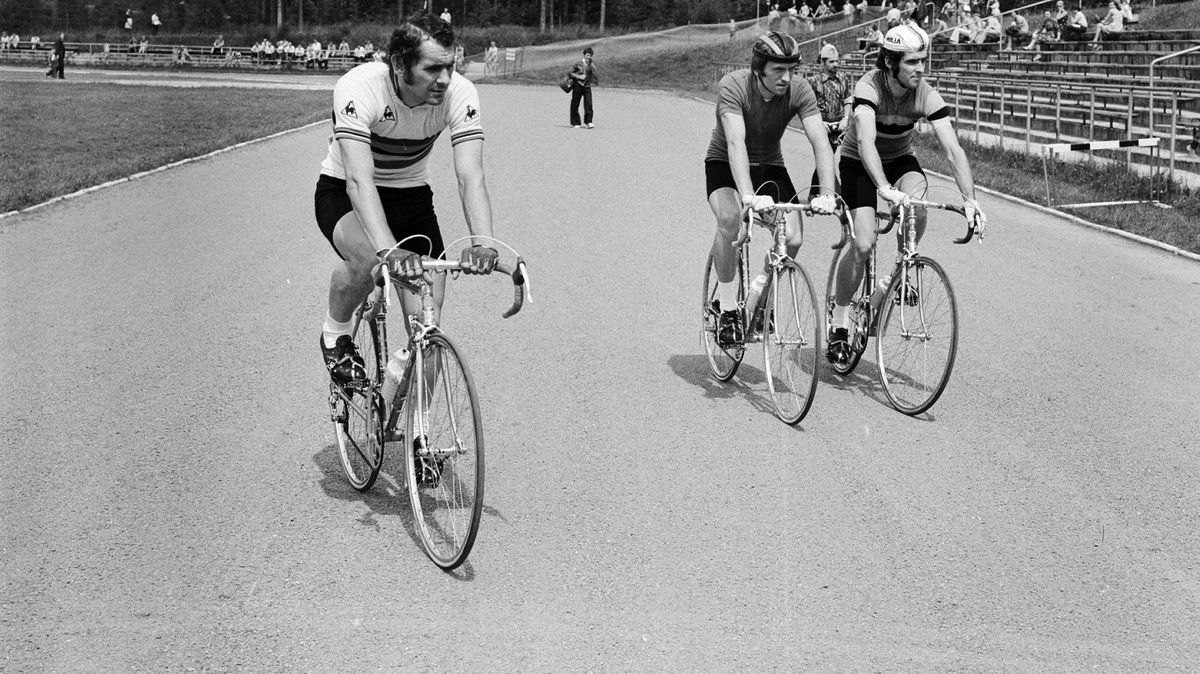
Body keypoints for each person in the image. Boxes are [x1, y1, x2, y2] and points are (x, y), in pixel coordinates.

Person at [316, 13, 498, 386]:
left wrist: (483, 242)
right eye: (433, 68)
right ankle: (336, 333)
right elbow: (357, 179)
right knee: (368, 259)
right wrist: (387, 250)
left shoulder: (459, 93)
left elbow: (470, 176)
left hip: (411, 194)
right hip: (344, 190)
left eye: (450, 66)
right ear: (399, 64)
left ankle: (420, 435)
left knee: (427, 324)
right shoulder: (360, 87)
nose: (445, 79)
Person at [827, 24, 985, 362]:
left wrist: (971, 200)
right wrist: (883, 188)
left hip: (900, 158)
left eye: (923, 61)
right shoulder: (868, 86)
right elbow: (866, 142)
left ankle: (901, 268)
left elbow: (953, 149)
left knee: (918, 205)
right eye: (912, 62)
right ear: (890, 62)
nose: (921, 69)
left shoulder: (925, 93)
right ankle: (839, 321)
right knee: (864, 243)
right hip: (859, 162)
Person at [704, 32, 837, 345]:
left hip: (770, 163)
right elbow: (736, 142)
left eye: (791, 69)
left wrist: (828, 193)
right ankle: (726, 309)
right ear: (758, 69)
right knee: (730, 220)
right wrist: (749, 198)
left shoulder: (799, 89)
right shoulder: (733, 85)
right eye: (778, 70)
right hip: (725, 161)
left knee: (794, 237)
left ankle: (758, 296)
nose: (786, 77)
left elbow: (820, 141)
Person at [807, 43, 851, 197]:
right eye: (831, 62)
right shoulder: (814, 81)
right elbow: (808, 106)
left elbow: (848, 100)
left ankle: (819, 192)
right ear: (823, 62)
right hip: (821, 126)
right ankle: (820, 193)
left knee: (828, 157)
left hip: (838, 126)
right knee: (825, 156)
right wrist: (819, 123)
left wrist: (845, 118)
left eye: (837, 61)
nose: (835, 65)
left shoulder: (843, 79)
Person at [568, 46, 598, 129]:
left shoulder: (591, 64)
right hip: (578, 85)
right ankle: (575, 122)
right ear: (584, 55)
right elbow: (570, 73)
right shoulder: (578, 63)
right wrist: (579, 76)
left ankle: (588, 121)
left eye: (590, 55)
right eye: (588, 55)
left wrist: (592, 66)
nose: (589, 57)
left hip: (587, 86)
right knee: (575, 103)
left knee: (589, 104)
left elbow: (595, 74)